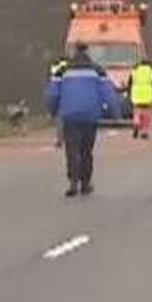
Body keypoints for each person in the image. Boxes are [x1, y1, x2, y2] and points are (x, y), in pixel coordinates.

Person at [45, 42, 122, 197]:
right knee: (86, 150)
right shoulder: (97, 71)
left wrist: (54, 111)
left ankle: (73, 182)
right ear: (88, 52)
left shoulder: (62, 71)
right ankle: (85, 182)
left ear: (74, 52)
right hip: (90, 115)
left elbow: (52, 95)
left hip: (70, 115)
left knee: (72, 149)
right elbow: (109, 94)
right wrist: (116, 115)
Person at [128, 57, 152, 139]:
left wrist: (129, 93)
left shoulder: (135, 71)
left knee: (137, 111)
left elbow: (130, 83)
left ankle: (136, 122)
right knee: (146, 114)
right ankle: (144, 132)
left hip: (136, 94)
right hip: (147, 95)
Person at [49, 56, 70, 147]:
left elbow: (53, 81)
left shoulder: (55, 67)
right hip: (69, 95)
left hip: (59, 95)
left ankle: (60, 139)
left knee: (59, 119)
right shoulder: (71, 67)